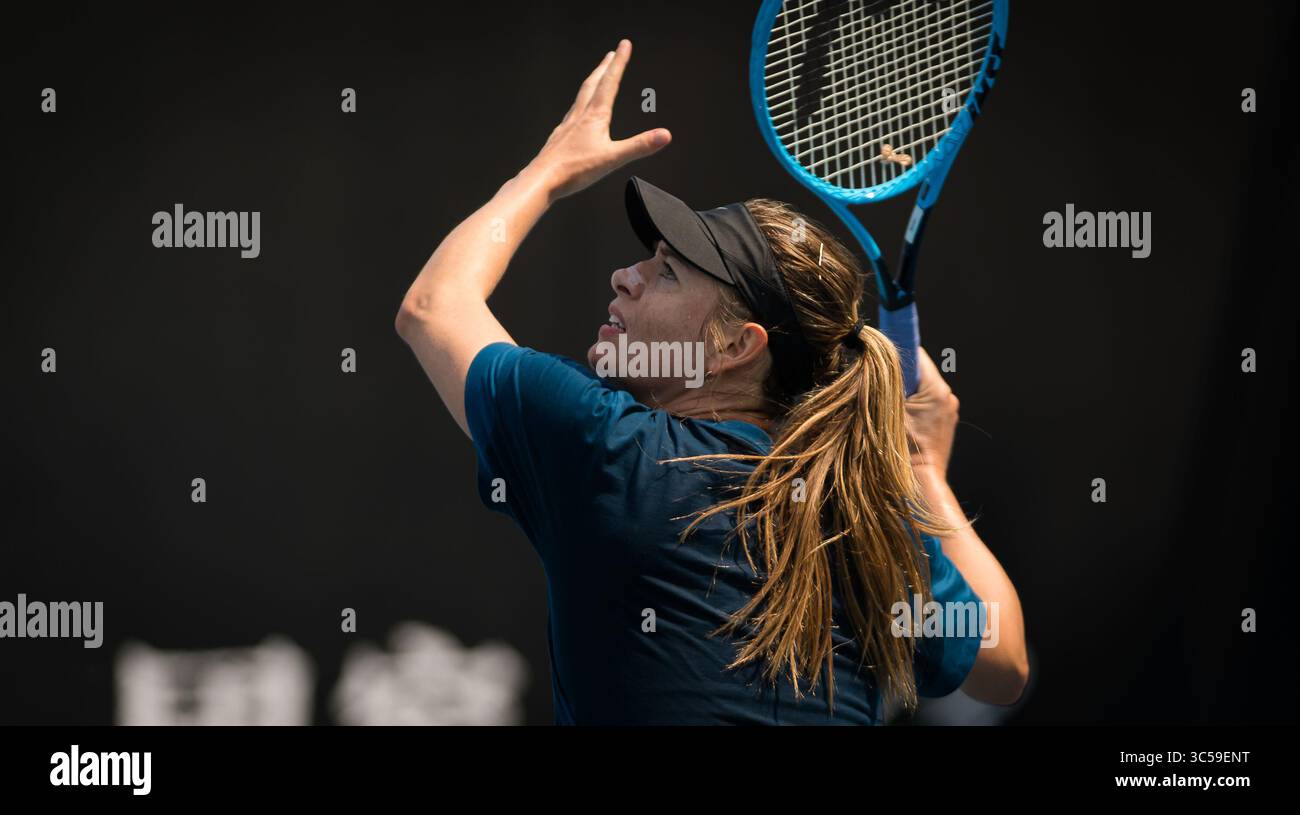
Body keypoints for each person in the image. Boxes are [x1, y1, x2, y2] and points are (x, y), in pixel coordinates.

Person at [395, 40, 1028, 724]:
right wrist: (925, 469)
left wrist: (549, 173)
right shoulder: (863, 522)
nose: (625, 276)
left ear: (735, 345)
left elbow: (432, 306)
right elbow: (1006, 665)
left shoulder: (609, 449)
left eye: (665, 272)